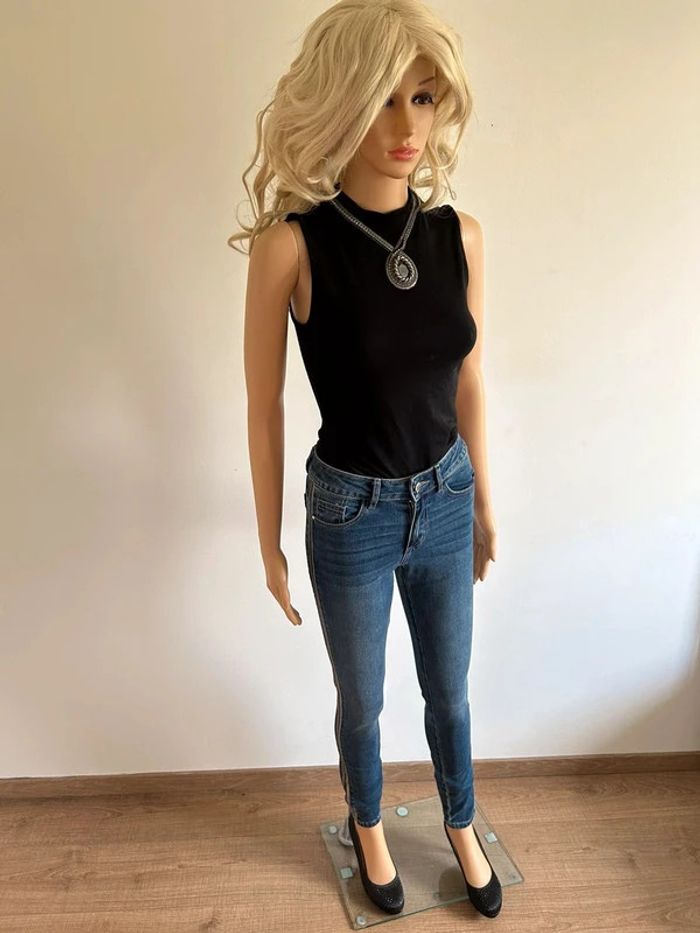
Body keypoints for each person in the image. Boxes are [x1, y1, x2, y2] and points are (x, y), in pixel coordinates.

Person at [232, 0, 501, 919]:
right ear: (342, 99)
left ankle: (461, 820)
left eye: (423, 98)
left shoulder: (459, 235)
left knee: (450, 690)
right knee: (363, 696)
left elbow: (468, 377)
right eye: (385, 98)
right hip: (350, 509)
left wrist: (484, 500)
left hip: (448, 492)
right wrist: (267, 541)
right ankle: (368, 820)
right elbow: (263, 403)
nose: (406, 124)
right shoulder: (292, 245)